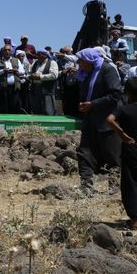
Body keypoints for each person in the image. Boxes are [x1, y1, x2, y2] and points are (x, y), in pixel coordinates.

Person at [76, 47, 122, 194]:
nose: (78, 63)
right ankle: (86, 184)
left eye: (81, 60)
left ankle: (115, 185)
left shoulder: (107, 70)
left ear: (89, 61)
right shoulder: (85, 74)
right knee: (85, 151)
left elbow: (115, 94)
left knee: (111, 154)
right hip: (90, 119)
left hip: (107, 120)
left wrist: (93, 104)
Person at [106, 78, 137, 229]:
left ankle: (135, 219)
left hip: (131, 148)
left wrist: (122, 134)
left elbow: (110, 120)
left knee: (130, 183)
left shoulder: (125, 109)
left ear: (128, 93)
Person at [29, 50, 59, 115]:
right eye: (37, 54)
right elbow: (30, 72)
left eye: (39, 54)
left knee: (48, 111)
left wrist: (40, 77)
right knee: (37, 111)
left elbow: (54, 75)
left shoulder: (52, 63)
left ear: (45, 55)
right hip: (36, 90)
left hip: (47, 91)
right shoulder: (35, 63)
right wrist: (31, 76)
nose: (37, 56)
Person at [0, 44, 21, 114]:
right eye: (5, 50)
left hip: (14, 87)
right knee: (4, 107)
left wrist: (16, 70)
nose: (7, 51)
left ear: (11, 52)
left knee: (14, 106)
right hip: (3, 87)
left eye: (9, 50)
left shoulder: (16, 60)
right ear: (3, 51)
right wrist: (3, 71)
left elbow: (22, 72)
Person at [56, 46, 80, 117]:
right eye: (64, 52)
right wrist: (63, 72)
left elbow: (80, 71)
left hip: (75, 86)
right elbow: (56, 73)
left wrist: (75, 70)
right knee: (65, 104)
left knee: (75, 103)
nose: (66, 54)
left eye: (68, 52)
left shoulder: (76, 59)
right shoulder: (59, 61)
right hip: (64, 86)